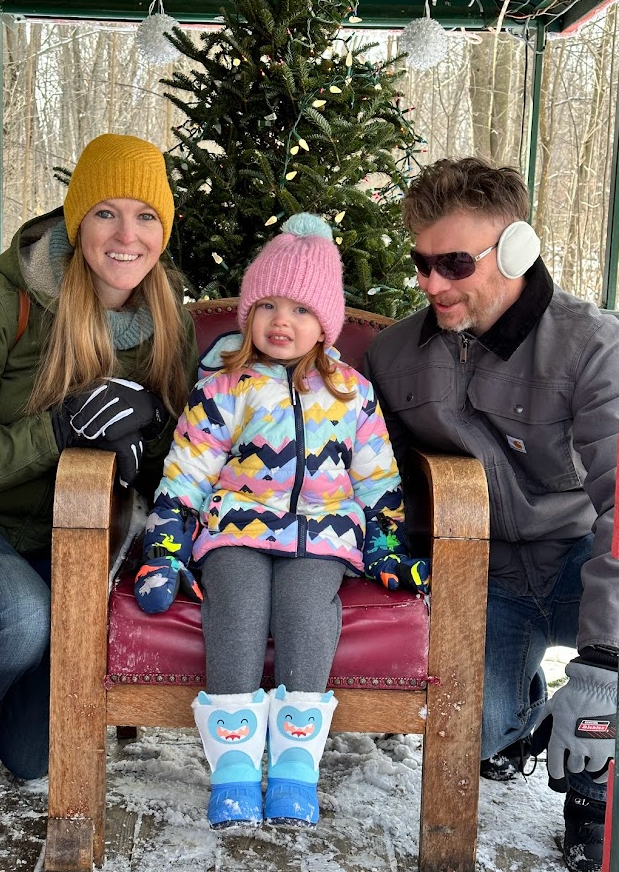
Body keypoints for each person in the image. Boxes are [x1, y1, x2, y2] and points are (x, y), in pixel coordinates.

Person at [133, 213, 430, 830]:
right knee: (236, 604)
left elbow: (378, 480)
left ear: (326, 322)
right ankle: (234, 769)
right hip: (236, 529)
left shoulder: (352, 393)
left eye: (299, 308)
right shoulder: (223, 389)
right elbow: (185, 474)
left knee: (305, 608)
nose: (281, 321)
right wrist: (164, 552)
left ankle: (297, 766)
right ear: (248, 316)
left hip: (322, 536)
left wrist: (386, 548)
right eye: (267, 305)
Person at [364, 156, 619, 872]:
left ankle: (597, 786)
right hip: (486, 579)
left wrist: (604, 665)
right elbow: (373, 481)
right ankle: (525, 712)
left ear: (516, 251)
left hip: (580, 561)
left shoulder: (593, 345)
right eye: (420, 262)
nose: (429, 283)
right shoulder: (394, 356)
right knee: (469, 735)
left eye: (452, 263)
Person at [0, 133, 198, 826]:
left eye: (146, 216)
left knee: (32, 754)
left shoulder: (166, 315)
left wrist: (144, 450)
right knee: (18, 618)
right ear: (77, 219)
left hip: (70, 529)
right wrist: (56, 431)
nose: (126, 235)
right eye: (106, 213)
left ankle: (3, 707)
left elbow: (182, 448)